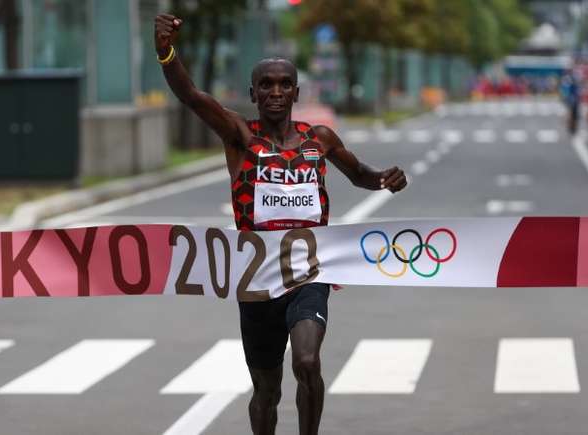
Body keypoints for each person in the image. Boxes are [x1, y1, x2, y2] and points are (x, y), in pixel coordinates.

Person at [155, 14, 407, 435]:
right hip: (256, 279)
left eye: (285, 84)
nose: (276, 92)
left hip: (308, 272)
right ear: (253, 93)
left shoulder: (319, 138)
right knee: (266, 391)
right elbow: (192, 97)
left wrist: (384, 179)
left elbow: (359, 173)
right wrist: (166, 52)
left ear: (296, 92)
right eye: (267, 85)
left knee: (307, 362)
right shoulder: (240, 136)